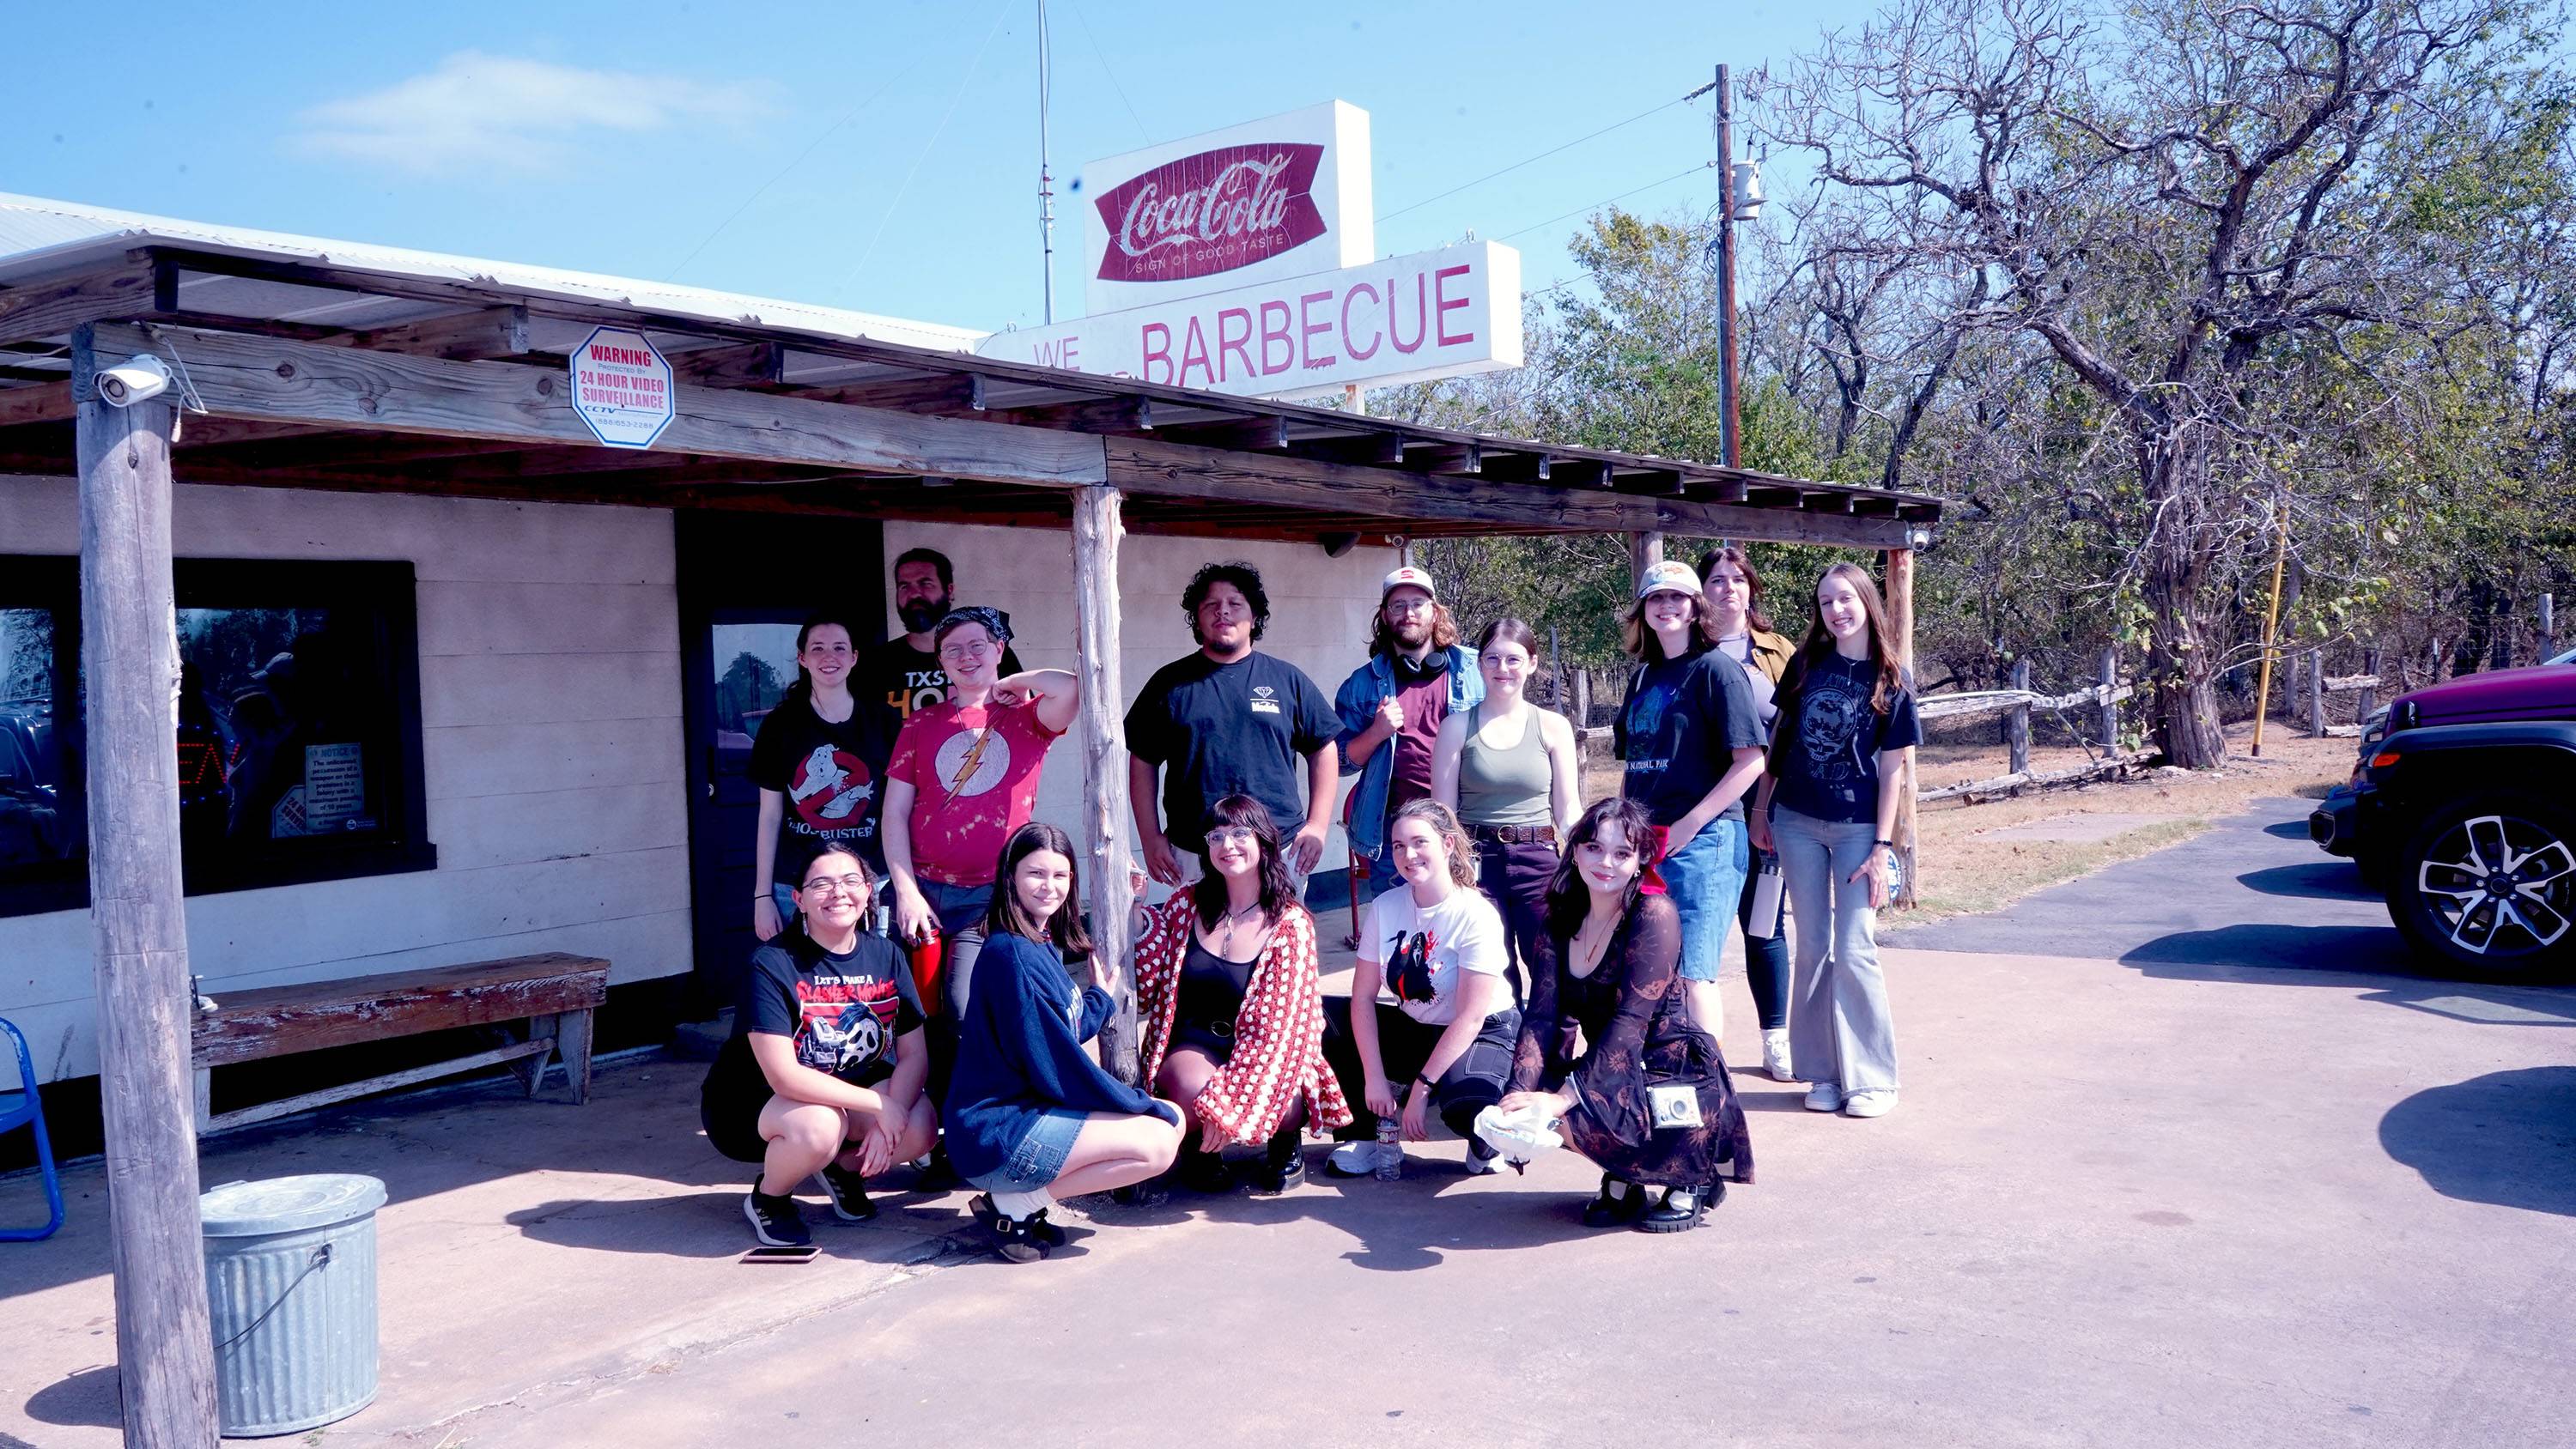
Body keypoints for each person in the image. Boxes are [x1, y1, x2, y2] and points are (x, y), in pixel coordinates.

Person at [1502, 797, 1755, 1233]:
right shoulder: (1558, 919)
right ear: (1575, 850)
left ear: (1640, 862)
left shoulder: (1654, 915)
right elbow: (1542, 1017)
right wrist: (1514, 1097)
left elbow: (1631, 1022)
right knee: (1529, 1102)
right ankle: (1629, 1172)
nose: (1606, 863)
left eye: (1622, 853)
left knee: (1563, 1107)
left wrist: (1565, 1097)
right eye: (1595, 848)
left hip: (1672, 1073)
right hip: (1613, 1065)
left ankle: (1690, 1175)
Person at [945, 822, 1185, 1261]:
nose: (1049, 887)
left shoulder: (1041, 941)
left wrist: (1097, 998)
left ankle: (1022, 1205)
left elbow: (1061, 1031)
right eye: (1036, 874)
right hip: (995, 1129)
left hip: (1025, 1111)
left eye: (1061, 876)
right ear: (1010, 877)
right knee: (1156, 1142)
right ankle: (1019, 1204)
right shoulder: (1012, 953)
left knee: (1169, 1125)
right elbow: (1059, 1064)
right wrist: (1138, 1102)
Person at [1750, 562, 1923, 1120]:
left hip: (1856, 832)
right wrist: (1761, 808)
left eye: (1845, 599)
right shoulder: (1805, 665)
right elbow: (1779, 742)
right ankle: (1822, 1074)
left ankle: (1872, 1079)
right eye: (1825, 602)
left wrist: (1881, 846)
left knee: (1855, 950)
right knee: (1813, 949)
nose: (1835, 610)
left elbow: (1894, 772)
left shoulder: (1890, 678)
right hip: (1796, 822)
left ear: (1866, 603)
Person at [700, 847, 940, 1247]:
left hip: (846, 1089)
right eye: (821, 884)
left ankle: (842, 1169)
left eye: (850, 881)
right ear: (799, 899)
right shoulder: (772, 963)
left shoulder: (887, 954)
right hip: (755, 1101)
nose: (837, 893)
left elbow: (914, 1054)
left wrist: (890, 1118)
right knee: (823, 1126)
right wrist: (880, 1107)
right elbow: (784, 1075)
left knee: (920, 1125)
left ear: (867, 891)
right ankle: (770, 1197)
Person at [1132, 796, 1352, 1196]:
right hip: (1196, 1039)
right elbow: (1146, 987)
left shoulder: (1291, 923)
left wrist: (1226, 1104)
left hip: (1269, 1049)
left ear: (1265, 842)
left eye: (1239, 833)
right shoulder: (1187, 904)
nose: (1226, 845)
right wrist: (1133, 908)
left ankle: (1285, 1143)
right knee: (1191, 1087)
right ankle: (1201, 1149)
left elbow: (1278, 1032)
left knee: (1284, 1102)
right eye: (1215, 836)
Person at [883, 606, 1078, 1026]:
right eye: (952, 649)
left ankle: (974, 1089)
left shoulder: (1027, 718)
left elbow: (1073, 689)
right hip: (923, 889)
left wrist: (1011, 683)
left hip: (987, 896)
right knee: (911, 1008)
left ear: (999, 649)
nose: (965, 656)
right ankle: (922, 1088)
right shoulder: (920, 723)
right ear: (940, 661)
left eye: (978, 645)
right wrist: (906, 891)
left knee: (963, 1006)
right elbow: (895, 813)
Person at [1321, 799, 1522, 1179]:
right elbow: (1363, 997)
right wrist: (1375, 1078)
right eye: (1398, 845)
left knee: (1469, 1104)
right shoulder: (1385, 907)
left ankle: (1484, 1144)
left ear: (1447, 844)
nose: (1408, 854)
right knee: (1318, 1019)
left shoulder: (1476, 914)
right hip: (1417, 1026)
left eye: (1419, 842)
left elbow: (1470, 1017)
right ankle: (1368, 1135)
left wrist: (1420, 1090)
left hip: (1482, 1031)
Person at [1613, 561, 1767, 1040]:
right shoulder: (1642, 678)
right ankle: (1663, 1076)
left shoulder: (1716, 670)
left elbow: (1751, 761)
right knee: (1653, 974)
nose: (1667, 607)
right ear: (1643, 610)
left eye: (1677, 597)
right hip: (1646, 844)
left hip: (1705, 842)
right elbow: (1633, 764)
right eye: (1656, 598)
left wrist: (1690, 825)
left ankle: (1707, 1088)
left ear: (1696, 606)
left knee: (1695, 974)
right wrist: (1623, 830)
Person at [1126, 561, 1340, 893]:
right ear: (1197, 618)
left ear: (1254, 617)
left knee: (1281, 943)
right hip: (1193, 851)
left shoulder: (1287, 680)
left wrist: (1317, 826)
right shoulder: (1168, 685)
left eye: (1234, 604)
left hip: (1279, 849)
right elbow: (1142, 761)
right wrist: (1150, 837)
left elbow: (1323, 748)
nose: (1222, 612)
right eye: (1211, 605)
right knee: (1200, 944)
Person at [1431, 617, 1582, 1005]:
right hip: (1478, 862)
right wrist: (1449, 870)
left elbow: (1568, 810)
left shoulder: (1552, 726)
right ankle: (1500, 1056)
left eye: (1513, 659)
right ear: (1479, 665)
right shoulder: (1455, 726)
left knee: (1552, 966)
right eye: (1492, 659)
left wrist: (1590, 857)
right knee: (1490, 971)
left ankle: (1554, 1061)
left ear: (1532, 663)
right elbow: (1443, 813)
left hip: (1538, 861)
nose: (1503, 669)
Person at [1701, 546, 1801, 1082]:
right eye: (1716, 580)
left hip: (1761, 806)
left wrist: (1764, 807)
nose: (1727, 590)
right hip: (1700, 813)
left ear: (1751, 589)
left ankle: (1776, 1039)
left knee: (1762, 926)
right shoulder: (1682, 648)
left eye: (1738, 580)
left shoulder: (1779, 652)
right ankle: (1689, 1043)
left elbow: (1789, 734)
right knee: (1695, 932)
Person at [1334, 566, 1484, 900]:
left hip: (1466, 826)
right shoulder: (1361, 685)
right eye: (1398, 605)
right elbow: (1340, 762)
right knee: (1399, 938)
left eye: (1417, 603)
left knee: (1466, 930)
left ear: (1434, 612)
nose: (1409, 613)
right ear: (1385, 617)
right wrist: (1377, 731)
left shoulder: (1476, 669)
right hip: (1394, 836)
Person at [750, 611, 889, 943]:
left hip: (870, 879)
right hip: (797, 881)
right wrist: (761, 896)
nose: (830, 657)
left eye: (840, 648)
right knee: (806, 981)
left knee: (873, 976)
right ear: (802, 658)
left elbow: (898, 808)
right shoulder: (780, 725)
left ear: (854, 657)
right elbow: (770, 816)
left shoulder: (882, 720)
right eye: (818, 648)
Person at [858, 547, 1025, 737]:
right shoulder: (874, 664)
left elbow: (1023, 720)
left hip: (977, 764)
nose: (914, 594)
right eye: (904, 586)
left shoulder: (990, 653)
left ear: (949, 590)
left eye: (925, 584)